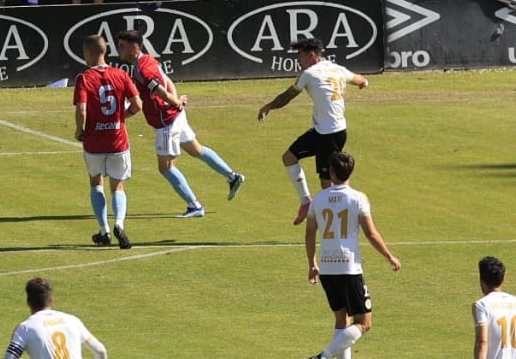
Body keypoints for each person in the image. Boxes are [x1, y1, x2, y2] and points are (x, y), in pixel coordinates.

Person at [113, 30, 245, 219]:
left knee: (165, 167)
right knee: (197, 150)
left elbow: (160, 91)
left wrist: (175, 102)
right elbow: (167, 81)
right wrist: (177, 102)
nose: (118, 49)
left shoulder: (142, 70)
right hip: (175, 116)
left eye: (122, 46)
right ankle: (233, 177)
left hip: (166, 123)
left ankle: (194, 206)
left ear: (134, 47)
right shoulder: (147, 61)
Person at [304, 151, 400, 359]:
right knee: (364, 322)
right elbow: (371, 233)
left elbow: (310, 232)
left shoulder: (318, 199)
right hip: (349, 268)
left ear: (331, 172)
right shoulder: (358, 198)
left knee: (342, 320)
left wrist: (312, 263)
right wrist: (389, 256)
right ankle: (323, 358)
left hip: (327, 268)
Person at [256, 37, 367, 225]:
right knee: (289, 157)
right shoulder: (337, 69)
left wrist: (268, 106)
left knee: (327, 182)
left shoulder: (309, 73)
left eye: (300, 55)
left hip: (330, 134)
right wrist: (365, 82)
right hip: (323, 131)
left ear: (312, 55)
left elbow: (288, 96)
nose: (298, 59)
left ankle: (337, 221)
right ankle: (306, 201)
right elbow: (359, 79)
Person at [74, 33, 140, 250]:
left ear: (89, 52)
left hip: (94, 142)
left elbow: (81, 109)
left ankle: (104, 231)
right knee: (118, 185)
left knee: (96, 182)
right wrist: (121, 117)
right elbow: (137, 105)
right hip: (118, 140)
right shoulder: (121, 74)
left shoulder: (84, 78)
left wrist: (80, 130)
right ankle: (119, 224)